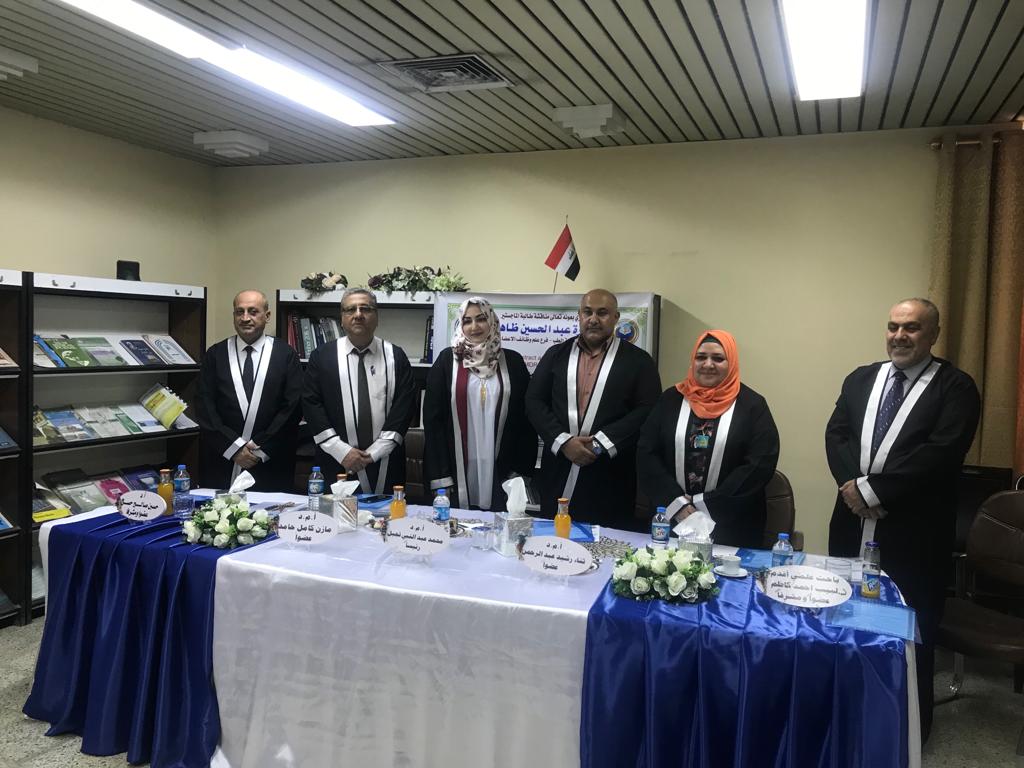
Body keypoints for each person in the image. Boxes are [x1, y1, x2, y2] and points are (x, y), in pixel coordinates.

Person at [826, 297, 980, 742]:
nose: (900, 336)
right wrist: (854, 489)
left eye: (911, 328)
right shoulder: (861, 378)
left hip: (915, 531)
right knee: (845, 618)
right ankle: (845, 715)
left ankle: (908, 730)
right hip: (851, 521)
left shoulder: (956, 388)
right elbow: (836, 435)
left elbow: (940, 453)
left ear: (933, 334)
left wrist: (875, 491)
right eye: (893, 326)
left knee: (908, 630)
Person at [525, 289, 661, 530]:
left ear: (616, 317)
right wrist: (564, 442)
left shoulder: (639, 361)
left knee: (607, 541)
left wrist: (599, 445)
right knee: (553, 539)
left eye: (602, 313)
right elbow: (534, 401)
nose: (593, 319)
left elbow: (648, 410)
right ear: (579, 315)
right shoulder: (556, 355)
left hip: (609, 472)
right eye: (587, 312)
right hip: (559, 465)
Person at [636, 330, 779, 548]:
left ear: (732, 363)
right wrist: (678, 504)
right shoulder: (670, 400)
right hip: (671, 519)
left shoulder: (752, 406)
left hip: (731, 524)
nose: (708, 364)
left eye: (718, 359)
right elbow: (647, 453)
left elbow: (760, 463)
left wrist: (705, 505)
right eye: (701, 357)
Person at [423, 298, 537, 510]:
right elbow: (433, 420)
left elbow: (526, 420)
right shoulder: (447, 361)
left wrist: (520, 470)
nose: (474, 326)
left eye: (481, 319)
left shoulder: (513, 362)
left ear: (492, 321)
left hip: (502, 468)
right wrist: (440, 475)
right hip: (455, 469)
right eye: (467, 321)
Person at [302, 287, 416, 494]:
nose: (358, 314)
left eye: (366, 309)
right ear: (342, 318)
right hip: (336, 459)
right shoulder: (322, 356)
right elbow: (311, 405)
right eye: (350, 309)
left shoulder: (396, 356)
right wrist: (341, 450)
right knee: (336, 513)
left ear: (376, 316)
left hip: (385, 459)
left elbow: (405, 406)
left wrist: (375, 453)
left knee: (388, 512)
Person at [197, 289, 302, 491]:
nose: (245, 318)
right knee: (220, 510)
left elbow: (293, 407)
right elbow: (205, 405)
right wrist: (234, 448)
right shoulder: (216, 354)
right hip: (223, 457)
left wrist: (260, 448)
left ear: (267, 316)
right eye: (240, 312)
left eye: (253, 311)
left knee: (271, 509)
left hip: (270, 458)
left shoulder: (285, 355)